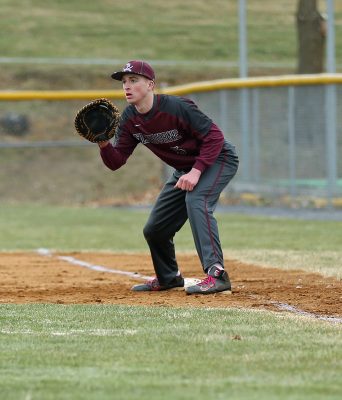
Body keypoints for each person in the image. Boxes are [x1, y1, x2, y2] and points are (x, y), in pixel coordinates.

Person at [98, 60, 239, 295]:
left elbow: (214, 137)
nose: (127, 86)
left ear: (150, 84)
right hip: (186, 169)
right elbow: (116, 161)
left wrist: (197, 171)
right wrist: (102, 142)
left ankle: (217, 274)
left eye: (134, 80)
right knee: (155, 229)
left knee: (197, 200)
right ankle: (169, 277)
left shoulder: (176, 107)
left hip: (218, 159)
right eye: (124, 82)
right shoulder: (130, 119)